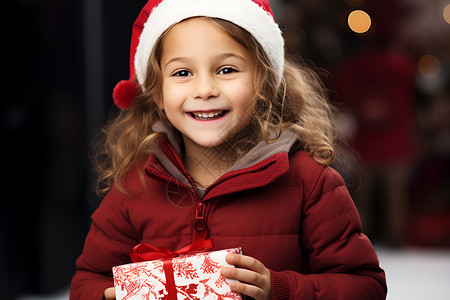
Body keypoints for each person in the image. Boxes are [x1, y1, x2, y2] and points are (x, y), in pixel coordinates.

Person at [70, 0, 387, 299]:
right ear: (157, 92)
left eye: (227, 70)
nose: (205, 90)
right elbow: (87, 281)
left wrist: (279, 289)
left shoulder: (310, 182)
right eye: (182, 73)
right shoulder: (133, 187)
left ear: (264, 82)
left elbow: (365, 285)